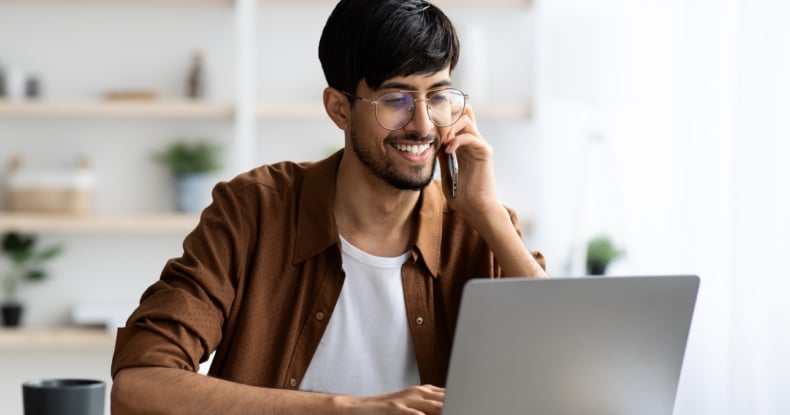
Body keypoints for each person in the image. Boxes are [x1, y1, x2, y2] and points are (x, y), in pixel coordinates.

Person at [110, 0, 547, 413]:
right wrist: (347, 408)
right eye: (395, 100)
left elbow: (569, 377)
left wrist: (488, 213)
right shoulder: (253, 211)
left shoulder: (481, 227)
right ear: (339, 108)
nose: (422, 123)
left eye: (437, 96)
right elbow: (140, 386)